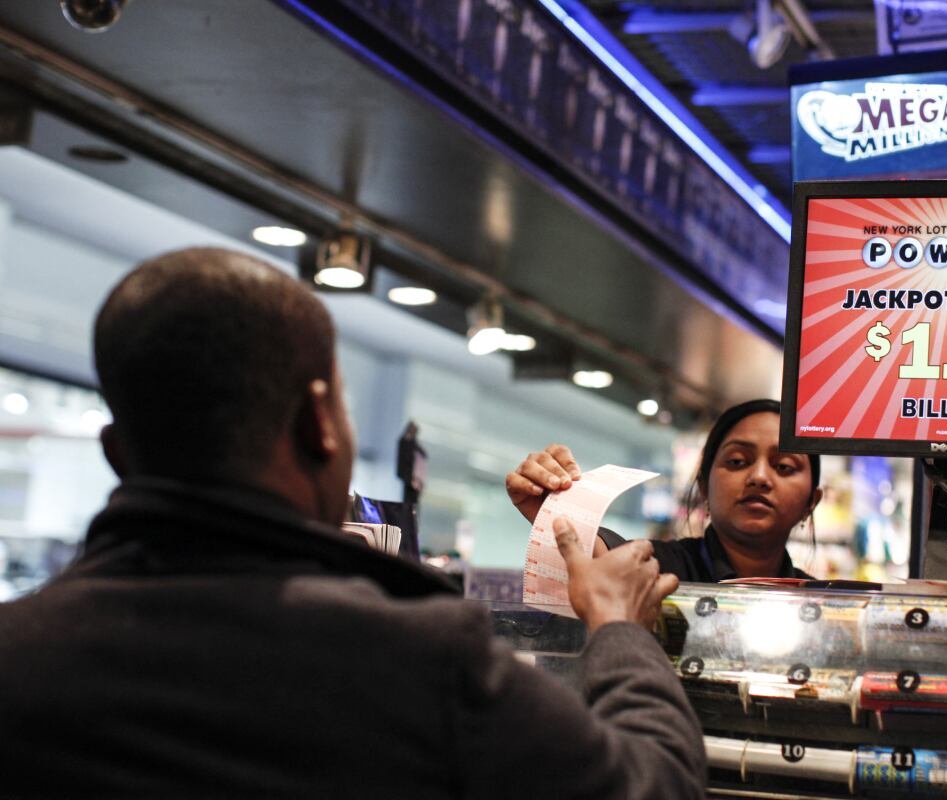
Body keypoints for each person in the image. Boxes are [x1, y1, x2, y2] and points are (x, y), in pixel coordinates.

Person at [0, 248, 704, 799]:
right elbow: (654, 787)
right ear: (317, 424)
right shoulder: (424, 660)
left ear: (117, 453)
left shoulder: (18, 651)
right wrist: (618, 632)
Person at [506, 398, 823, 582]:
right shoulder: (658, 568)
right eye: (738, 461)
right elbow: (607, 558)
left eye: (784, 466)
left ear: (811, 501)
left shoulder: (823, 603)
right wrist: (557, 510)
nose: (759, 477)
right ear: (703, 487)